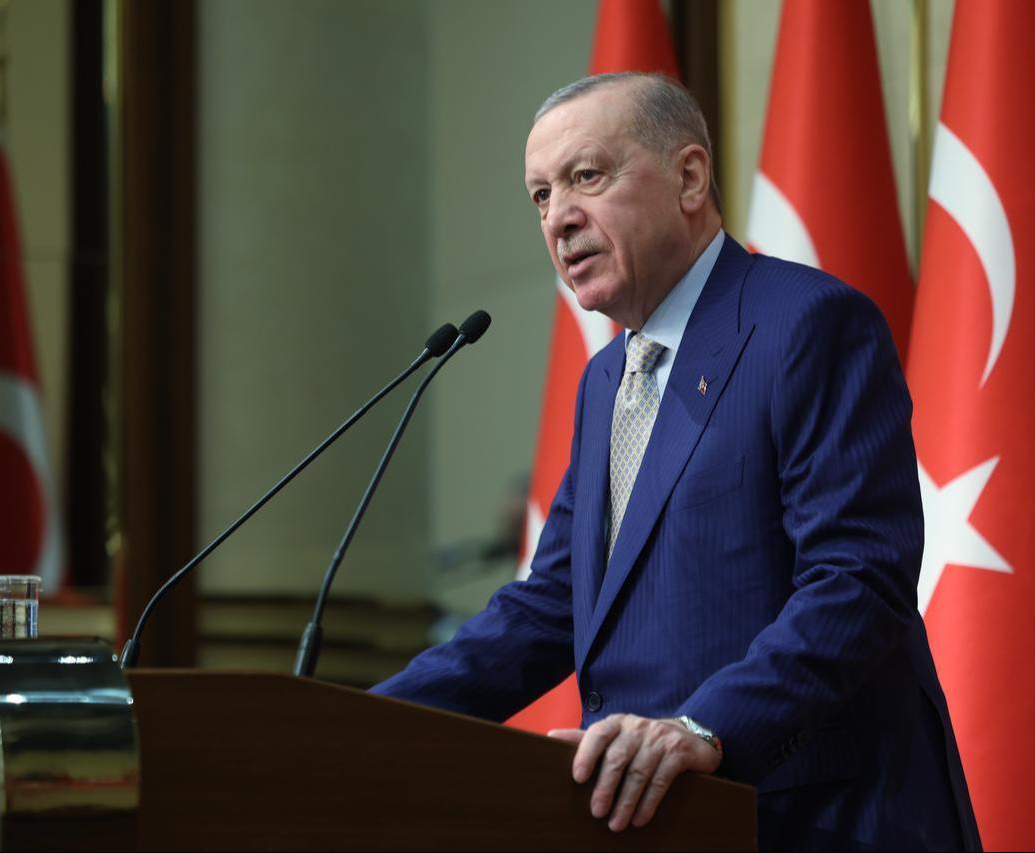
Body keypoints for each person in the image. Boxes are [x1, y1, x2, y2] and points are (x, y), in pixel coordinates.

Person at [372, 72, 981, 852]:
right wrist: (368, 719)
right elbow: (553, 604)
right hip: (653, 823)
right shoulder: (607, 381)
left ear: (690, 177)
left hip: (813, 819)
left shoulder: (806, 325)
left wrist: (706, 725)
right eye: (539, 196)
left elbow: (859, 577)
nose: (559, 217)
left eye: (586, 176)